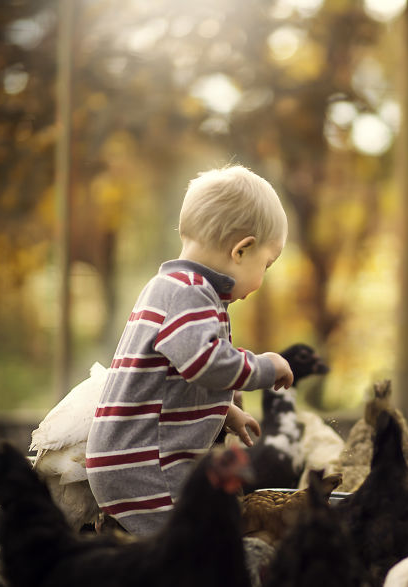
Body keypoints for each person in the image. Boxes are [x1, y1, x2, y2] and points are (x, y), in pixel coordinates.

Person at [85, 165, 294, 535]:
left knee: (155, 551)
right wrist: (265, 366)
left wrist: (227, 412)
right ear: (242, 250)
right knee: (182, 550)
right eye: (267, 263)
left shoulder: (173, 286)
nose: (264, 277)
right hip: (149, 465)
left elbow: (171, 380)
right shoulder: (191, 292)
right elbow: (205, 364)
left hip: (133, 457)